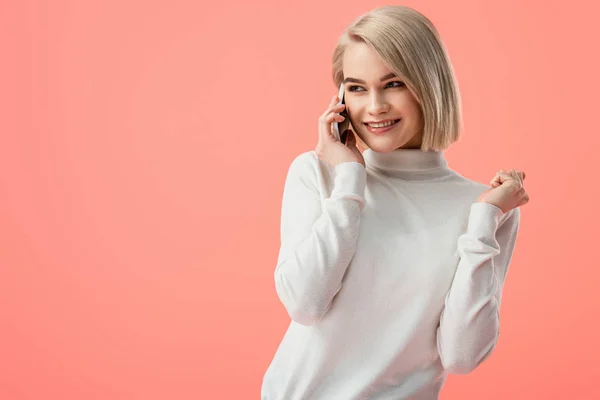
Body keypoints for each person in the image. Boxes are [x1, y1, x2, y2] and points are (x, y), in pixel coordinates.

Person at [261, 5, 530, 400]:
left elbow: (461, 356)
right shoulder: (316, 175)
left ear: (429, 85)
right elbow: (305, 304)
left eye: (393, 84)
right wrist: (350, 180)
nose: (375, 107)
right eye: (356, 88)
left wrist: (483, 222)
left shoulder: (483, 209)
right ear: (339, 98)